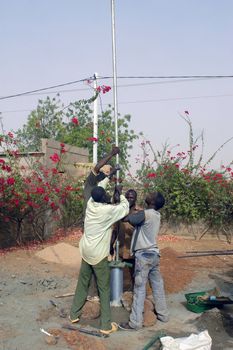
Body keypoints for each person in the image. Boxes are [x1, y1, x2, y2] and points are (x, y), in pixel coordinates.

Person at [70, 181, 129, 335]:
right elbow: (124, 208)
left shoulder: (91, 204)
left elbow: (99, 189)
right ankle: (106, 325)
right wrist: (121, 194)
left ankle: (74, 315)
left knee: (82, 283)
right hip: (98, 255)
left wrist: (108, 177)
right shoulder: (106, 211)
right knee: (104, 289)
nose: (107, 195)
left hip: (86, 251)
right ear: (103, 198)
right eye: (105, 194)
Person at [119, 191, 169, 330]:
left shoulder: (145, 214)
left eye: (151, 194)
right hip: (154, 255)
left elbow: (126, 219)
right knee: (158, 286)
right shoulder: (156, 215)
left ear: (153, 201)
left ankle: (135, 323)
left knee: (139, 289)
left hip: (144, 256)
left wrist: (121, 203)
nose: (148, 194)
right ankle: (163, 315)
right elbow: (139, 225)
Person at [111, 189, 138, 289]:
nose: (129, 199)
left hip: (133, 250)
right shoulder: (120, 211)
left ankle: (135, 294)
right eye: (127, 197)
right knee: (119, 273)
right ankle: (120, 292)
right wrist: (111, 244)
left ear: (135, 199)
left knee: (134, 274)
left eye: (131, 197)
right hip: (120, 249)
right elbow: (115, 229)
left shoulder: (140, 212)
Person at [83, 145, 120, 215]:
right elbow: (97, 167)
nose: (108, 177)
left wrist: (117, 189)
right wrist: (112, 153)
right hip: (90, 220)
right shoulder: (91, 182)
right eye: (107, 173)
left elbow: (113, 200)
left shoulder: (101, 188)